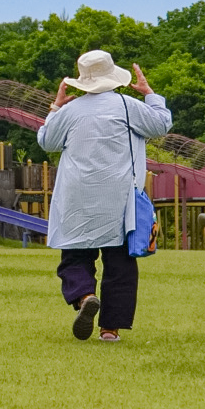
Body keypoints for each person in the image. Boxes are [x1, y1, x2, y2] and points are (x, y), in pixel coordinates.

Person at [36, 50, 170, 342]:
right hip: (118, 198)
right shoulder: (126, 106)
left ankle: (85, 296)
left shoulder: (71, 112)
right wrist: (150, 94)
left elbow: (47, 141)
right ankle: (110, 329)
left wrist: (55, 108)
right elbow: (161, 124)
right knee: (120, 264)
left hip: (76, 198)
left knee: (74, 256)